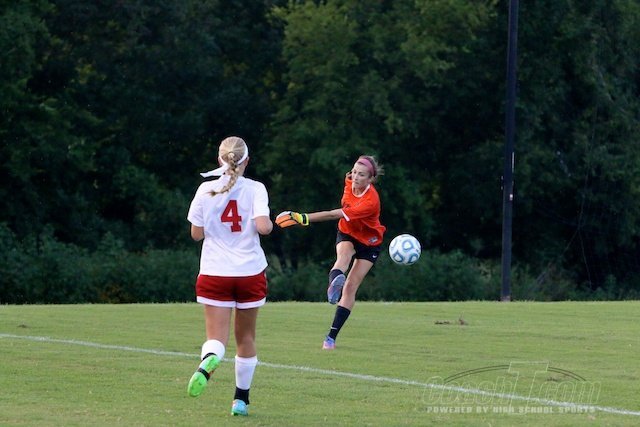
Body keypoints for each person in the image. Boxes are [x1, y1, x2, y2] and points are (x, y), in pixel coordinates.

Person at [186, 136, 273, 416]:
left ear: (219, 159)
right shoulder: (256, 188)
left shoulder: (205, 189)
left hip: (215, 273)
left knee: (216, 338)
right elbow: (264, 228)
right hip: (249, 272)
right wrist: (273, 223)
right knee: (245, 337)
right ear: (247, 161)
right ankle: (240, 400)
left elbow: (196, 234)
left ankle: (209, 360)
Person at [276, 155, 385, 350]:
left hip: (370, 242)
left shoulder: (370, 201)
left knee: (351, 287)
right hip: (348, 232)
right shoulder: (349, 180)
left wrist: (302, 218)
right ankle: (334, 284)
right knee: (343, 258)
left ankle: (331, 337)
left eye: (362, 175)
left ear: (371, 179)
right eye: (354, 172)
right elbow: (344, 205)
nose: (356, 177)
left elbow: (333, 214)